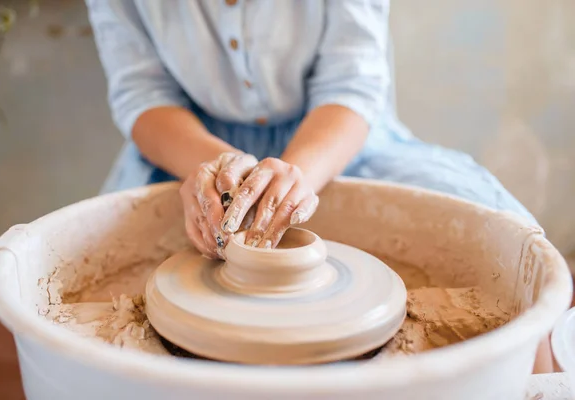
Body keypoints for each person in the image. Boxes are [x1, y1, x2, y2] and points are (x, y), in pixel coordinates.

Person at [85, 0, 552, 373]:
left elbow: (351, 86)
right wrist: (215, 167)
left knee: (511, 247)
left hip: (335, 135)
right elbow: (142, 96)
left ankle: (539, 382)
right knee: (99, 277)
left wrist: (297, 173)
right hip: (191, 148)